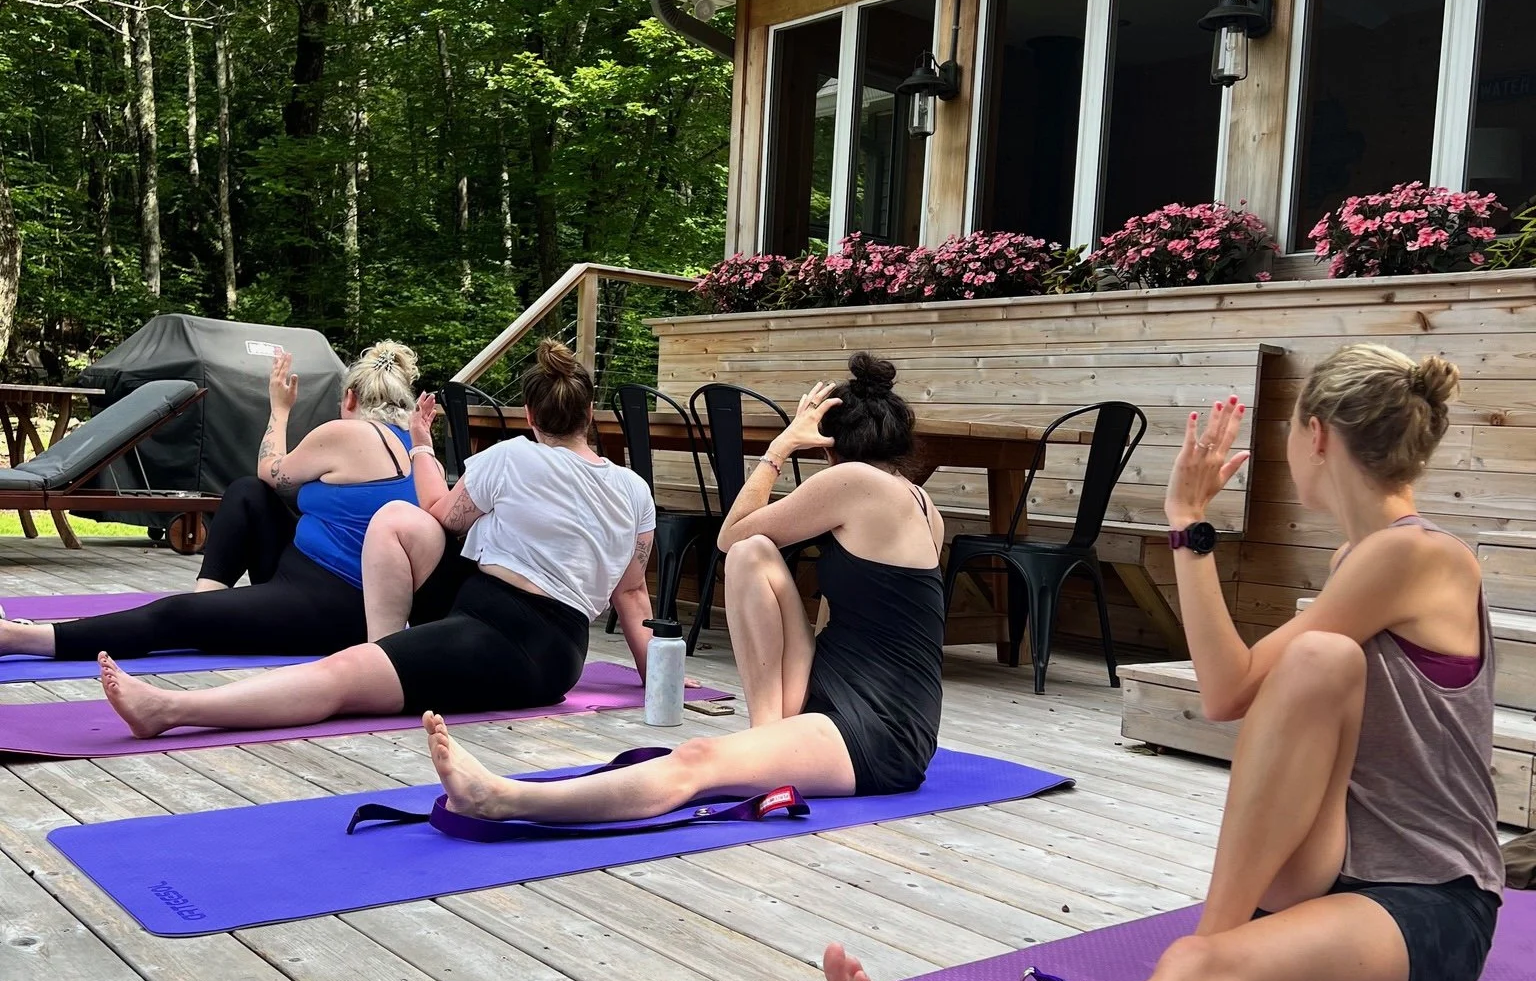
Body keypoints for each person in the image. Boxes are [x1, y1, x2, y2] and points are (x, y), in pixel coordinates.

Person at [812, 343, 1503, 981]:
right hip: (1335, 866)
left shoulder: (1416, 554)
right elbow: (1227, 691)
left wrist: (1189, 524)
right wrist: (1186, 523)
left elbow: (1230, 691)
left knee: (1204, 974)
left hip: (1429, 905)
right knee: (1321, 661)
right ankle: (1210, 940)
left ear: (1315, 435)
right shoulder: (1365, 558)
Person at [414, 350, 947, 824]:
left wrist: (780, 447)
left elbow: (730, 532)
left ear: (830, 446)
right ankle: (767, 734)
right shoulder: (922, 506)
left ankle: (501, 798)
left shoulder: (854, 481)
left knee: (698, 760)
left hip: (878, 730)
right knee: (754, 555)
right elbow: (823, 600)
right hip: (846, 691)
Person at [96, 340, 656, 736]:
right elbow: (632, 595)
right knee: (395, 518)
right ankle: (383, 649)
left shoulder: (511, 457)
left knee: (338, 676)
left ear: (530, 414)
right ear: (590, 415)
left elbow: (441, 511)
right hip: (546, 637)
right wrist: (658, 679)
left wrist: (423, 446)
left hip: (514, 642)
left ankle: (169, 711)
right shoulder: (633, 489)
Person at [0, 342, 440, 663]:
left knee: (174, 614)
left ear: (350, 398)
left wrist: (280, 408)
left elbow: (271, 468)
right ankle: (208, 603)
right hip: (341, 588)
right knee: (248, 493)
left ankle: (24, 639)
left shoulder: (346, 433)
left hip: (328, 603)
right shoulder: (423, 453)